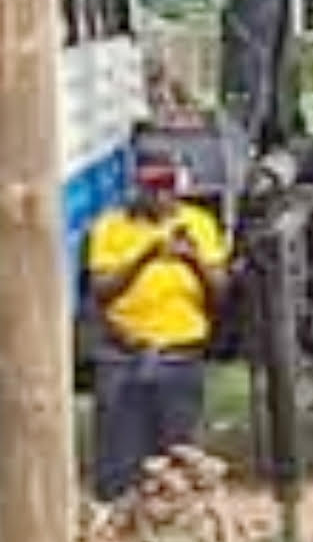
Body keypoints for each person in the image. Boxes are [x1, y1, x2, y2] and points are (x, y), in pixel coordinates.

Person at [82, 148, 229, 502]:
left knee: (181, 460)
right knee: (119, 465)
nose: (160, 195)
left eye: (167, 186)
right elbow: (101, 291)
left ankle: (179, 539)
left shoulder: (199, 224)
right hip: (123, 356)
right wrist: (144, 257)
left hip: (180, 355)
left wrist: (193, 260)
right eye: (151, 186)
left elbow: (221, 295)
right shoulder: (111, 227)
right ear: (136, 186)